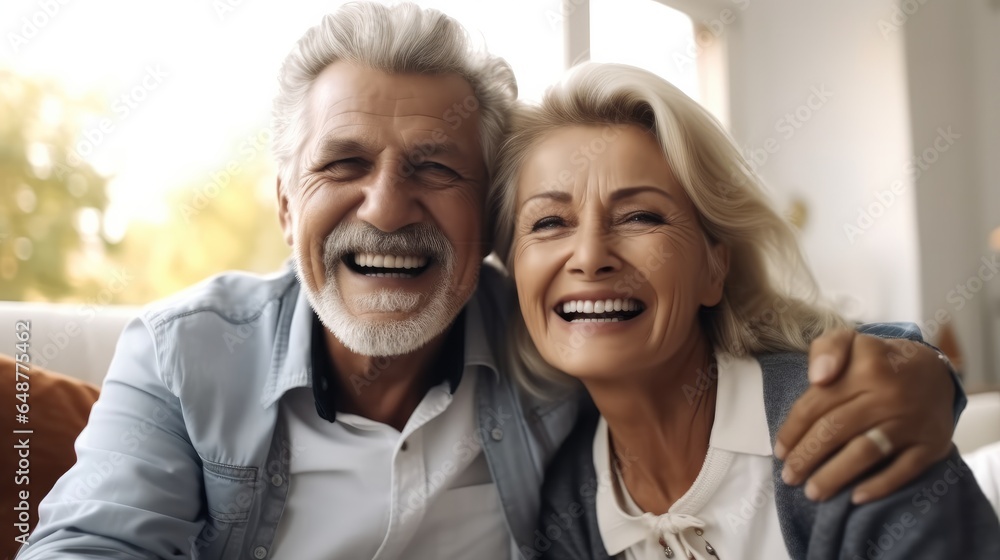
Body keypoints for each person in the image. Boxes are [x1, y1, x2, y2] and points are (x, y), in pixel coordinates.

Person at [17, 3, 966, 559]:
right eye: (342, 164)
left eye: (434, 168)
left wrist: (923, 372)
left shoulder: (557, 342)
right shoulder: (183, 355)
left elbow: (766, 353)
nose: (386, 208)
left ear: (484, 223)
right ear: (281, 202)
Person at [488, 61, 1000, 559]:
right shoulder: (565, 505)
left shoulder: (851, 423)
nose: (591, 256)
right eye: (549, 223)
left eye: (641, 215)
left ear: (714, 267)